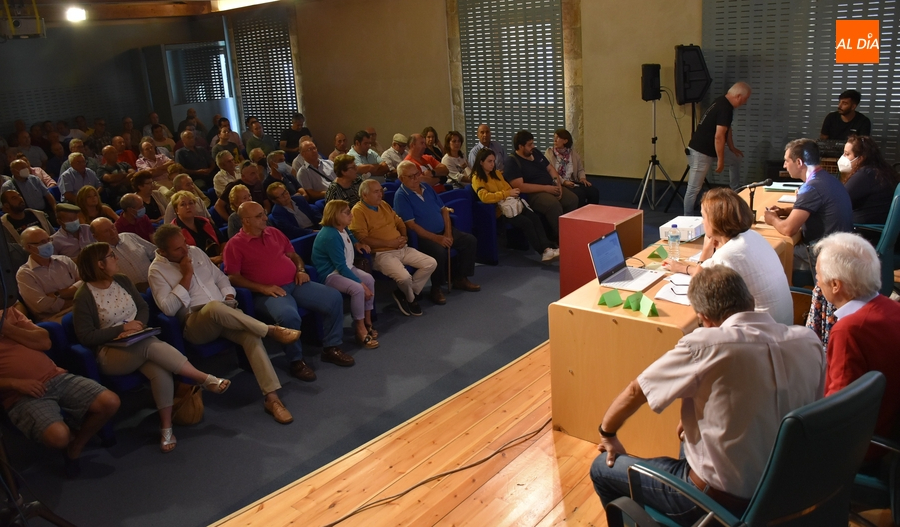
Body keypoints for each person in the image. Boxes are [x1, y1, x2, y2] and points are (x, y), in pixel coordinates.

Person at [590, 265, 824, 523]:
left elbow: (637, 390)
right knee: (687, 426)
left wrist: (607, 433)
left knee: (601, 469)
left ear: (705, 318)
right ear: (751, 301)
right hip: (790, 492)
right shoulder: (809, 341)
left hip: (718, 501)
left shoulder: (706, 346)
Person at [73, 242, 229, 453]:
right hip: (110, 353)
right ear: (99, 264)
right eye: (111, 256)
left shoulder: (122, 280)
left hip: (138, 340)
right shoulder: (84, 295)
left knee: (160, 368)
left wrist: (138, 326)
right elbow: (86, 336)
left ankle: (166, 428)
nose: (116, 258)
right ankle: (203, 378)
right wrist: (121, 329)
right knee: (150, 346)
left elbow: (143, 308)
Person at [149, 225, 298, 424]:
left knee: (251, 336)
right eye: (178, 249)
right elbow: (168, 309)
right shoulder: (156, 271)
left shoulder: (196, 252)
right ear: (163, 251)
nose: (185, 250)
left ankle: (272, 399)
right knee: (213, 307)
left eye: (185, 243)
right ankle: (270, 330)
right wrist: (186, 275)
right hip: (196, 324)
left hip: (226, 312)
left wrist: (228, 295)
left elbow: (221, 278)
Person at [225, 201, 355, 381]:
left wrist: (300, 270)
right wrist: (263, 287)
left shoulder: (274, 233)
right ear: (246, 221)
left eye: (264, 213)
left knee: (333, 297)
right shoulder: (234, 245)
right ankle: (296, 361)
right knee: (288, 316)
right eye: (259, 216)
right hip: (268, 293)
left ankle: (331, 347)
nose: (265, 218)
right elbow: (233, 277)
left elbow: (293, 255)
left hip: (296, 283)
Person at [0, 306, 119, 477]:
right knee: (59, 437)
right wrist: (14, 383)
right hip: (21, 395)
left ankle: (76, 446)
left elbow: (44, 341)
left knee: (110, 402)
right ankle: (66, 435)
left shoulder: (7, 311)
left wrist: (7, 329)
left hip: (54, 376)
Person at [814, 232, 900, 464]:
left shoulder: (849, 330)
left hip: (865, 448)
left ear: (835, 285)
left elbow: (838, 409)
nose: (817, 280)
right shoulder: (892, 308)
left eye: (818, 274)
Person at [663, 188, 793, 325]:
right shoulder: (752, 236)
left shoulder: (728, 254)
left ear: (715, 221)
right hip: (782, 328)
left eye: (704, 217)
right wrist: (683, 268)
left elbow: (699, 286)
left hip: (761, 336)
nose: (702, 222)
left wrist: (707, 248)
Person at [394, 160, 479, 304]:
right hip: (424, 236)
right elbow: (412, 226)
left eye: (417, 174)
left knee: (469, 240)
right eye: (411, 176)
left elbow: (444, 210)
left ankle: (460, 278)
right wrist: (437, 239)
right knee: (438, 252)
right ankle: (436, 288)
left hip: (442, 230)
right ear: (402, 178)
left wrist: (448, 233)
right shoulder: (401, 196)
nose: (416, 178)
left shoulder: (426, 187)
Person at [764, 138, 853, 273]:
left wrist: (772, 219)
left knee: (771, 256)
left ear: (799, 162)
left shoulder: (811, 188)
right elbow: (818, 210)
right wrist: (785, 211)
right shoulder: (828, 179)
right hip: (841, 251)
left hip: (824, 257)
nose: (784, 165)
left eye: (787, 161)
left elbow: (788, 229)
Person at [350, 179, 436, 316]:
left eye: (381, 191)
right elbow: (363, 238)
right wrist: (390, 244)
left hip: (401, 247)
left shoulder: (383, 204)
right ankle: (411, 299)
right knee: (405, 278)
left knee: (431, 263)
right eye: (376, 192)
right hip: (381, 254)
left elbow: (399, 222)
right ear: (364, 195)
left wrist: (404, 236)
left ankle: (405, 293)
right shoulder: (358, 211)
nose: (380, 195)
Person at [312, 200, 378, 348]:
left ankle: (368, 321)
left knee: (369, 279)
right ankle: (360, 328)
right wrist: (361, 285)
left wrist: (357, 243)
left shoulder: (342, 228)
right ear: (335, 215)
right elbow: (340, 267)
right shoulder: (330, 235)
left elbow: (349, 235)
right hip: (331, 274)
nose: (351, 214)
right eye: (347, 212)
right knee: (358, 289)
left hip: (345, 268)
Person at [472, 149, 558, 262]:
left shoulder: (497, 174)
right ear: (481, 162)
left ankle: (547, 248)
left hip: (512, 204)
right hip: (500, 211)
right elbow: (485, 197)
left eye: (493, 161)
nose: (492, 164)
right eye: (489, 161)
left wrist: (508, 193)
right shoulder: (477, 178)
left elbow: (507, 187)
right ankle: (543, 251)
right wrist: (505, 194)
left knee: (534, 217)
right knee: (526, 223)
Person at [683, 81, 752, 215]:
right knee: (693, 188)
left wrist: (732, 148)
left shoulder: (723, 102)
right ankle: (686, 217)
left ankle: (736, 190)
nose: (745, 102)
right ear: (738, 96)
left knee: (735, 159)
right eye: (746, 98)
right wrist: (721, 160)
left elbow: (727, 129)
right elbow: (719, 137)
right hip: (700, 151)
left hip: (712, 148)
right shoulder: (724, 107)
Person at [504, 130, 578, 241]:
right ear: (520, 146)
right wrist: (547, 189)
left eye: (533, 143)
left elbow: (550, 169)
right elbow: (520, 186)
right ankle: (561, 238)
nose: (533, 146)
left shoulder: (535, 153)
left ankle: (568, 231)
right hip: (534, 192)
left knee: (572, 199)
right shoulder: (512, 161)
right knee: (553, 205)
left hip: (550, 185)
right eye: (529, 145)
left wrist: (557, 185)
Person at [17, 227, 82, 322]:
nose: (48, 244)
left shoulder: (65, 260)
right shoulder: (25, 274)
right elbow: (42, 306)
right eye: (42, 242)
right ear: (29, 247)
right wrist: (75, 299)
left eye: (49, 240)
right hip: (55, 318)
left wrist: (58, 294)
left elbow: (84, 283)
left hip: (81, 307)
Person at [839, 135, 900, 226]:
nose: (843, 157)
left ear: (860, 158)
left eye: (847, 154)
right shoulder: (880, 171)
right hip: (873, 228)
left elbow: (838, 200)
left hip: (862, 232)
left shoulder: (865, 174)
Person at [90, 217, 156, 291]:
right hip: (132, 292)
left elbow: (155, 253)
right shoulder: (97, 256)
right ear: (96, 236)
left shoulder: (129, 237)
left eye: (113, 227)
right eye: (106, 231)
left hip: (156, 282)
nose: (113, 232)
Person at [545, 128, 599, 207]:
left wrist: (582, 178)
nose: (555, 140)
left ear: (565, 141)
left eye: (558, 138)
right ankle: (578, 217)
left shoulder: (573, 153)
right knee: (580, 194)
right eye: (554, 137)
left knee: (594, 192)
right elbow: (551, 172)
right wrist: (564, 182)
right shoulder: (549, 153)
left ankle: (591, 214)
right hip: (560, 183)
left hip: (572, 181)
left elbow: (580, 169)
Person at [171, 190, 225, 265]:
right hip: (196, 267)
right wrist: (214, 260)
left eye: (191, 203)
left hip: (219, 261)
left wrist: (222, 255)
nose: (188, 207)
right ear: (176, 210)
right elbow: (184, 258)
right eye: (183, 205)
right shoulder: (174, 231)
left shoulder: (205, 221)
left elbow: (222, 241)